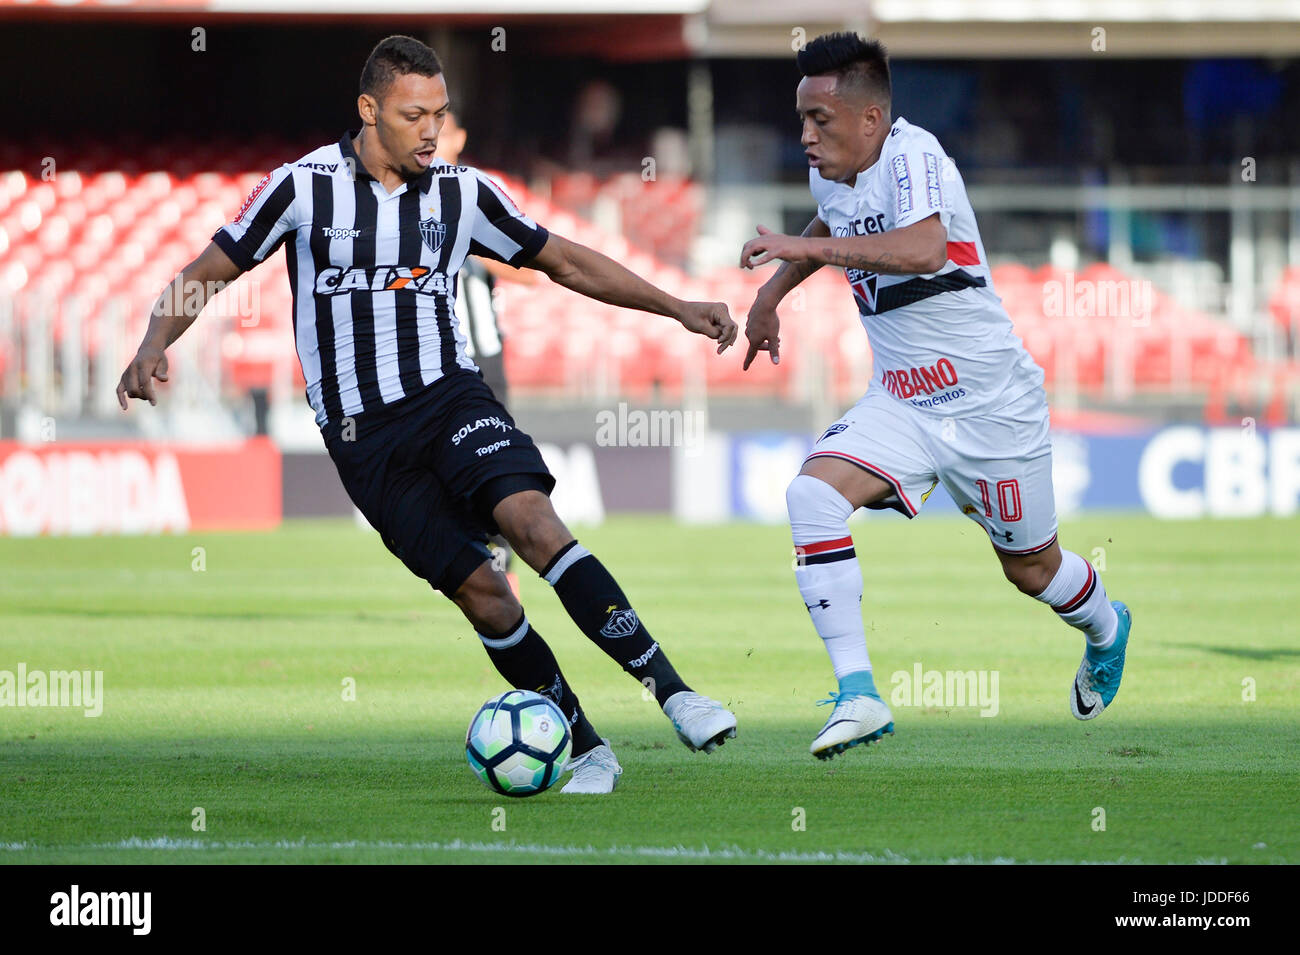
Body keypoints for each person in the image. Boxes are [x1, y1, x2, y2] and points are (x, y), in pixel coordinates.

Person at [117, 35, 739, 793]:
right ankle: (584, 744)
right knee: (485, 591)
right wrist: (153, 341)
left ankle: (676, 693)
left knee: (534, 523)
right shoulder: (300, 187)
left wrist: (677, 307)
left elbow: (565, 260)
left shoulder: (462, 193)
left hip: (450, 397)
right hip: (364, 438)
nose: (431, 132)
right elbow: (206, 271)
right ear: (369, 110)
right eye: (415, 116)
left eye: (440, 115)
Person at [739, 33, 1131, 760]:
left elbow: (923, 249)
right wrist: (771, 295)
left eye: (820, 120)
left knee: (1031, 570)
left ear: (871, 118)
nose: (805, 136)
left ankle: (1107, 628)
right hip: (902, 403)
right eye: (801, 118)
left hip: (990, 406)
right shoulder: (834, 173)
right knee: (812, 499)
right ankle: (857, 693)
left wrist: (803, 254)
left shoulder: (915, 156)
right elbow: (830, 223)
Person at [434, 108, 532, 591]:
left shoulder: (472, 194)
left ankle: (504, 573)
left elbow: (530, 266)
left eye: (441, 128)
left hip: (486, 362)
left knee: (496, 465)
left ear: (459, 137)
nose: (431, 136)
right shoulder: (410, 198)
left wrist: (470, 246)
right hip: (438, 363)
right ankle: (472, 574)